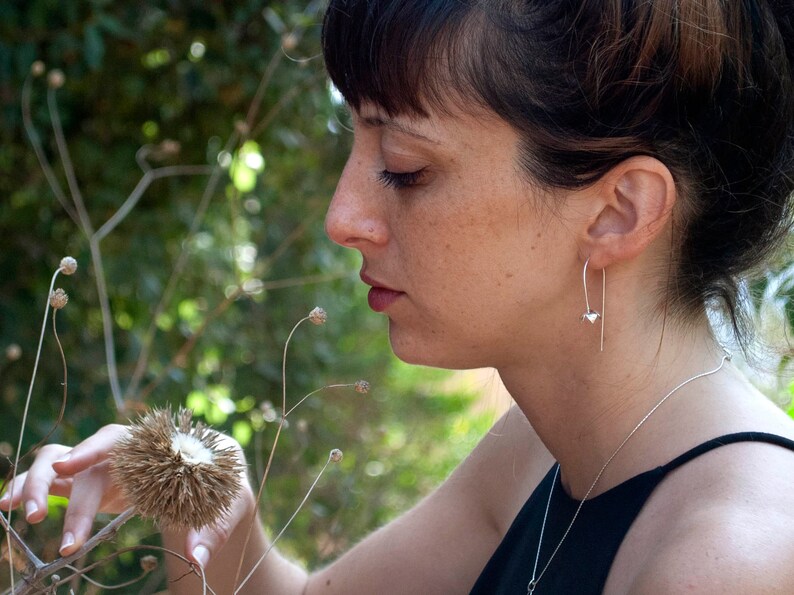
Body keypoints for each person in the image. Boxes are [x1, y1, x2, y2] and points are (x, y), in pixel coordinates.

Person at [4, 0, 794, 592]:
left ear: (619, 210)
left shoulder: (735, 555)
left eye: (407, 168)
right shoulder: (537, 453)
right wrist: (210, 502)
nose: (343, 218)